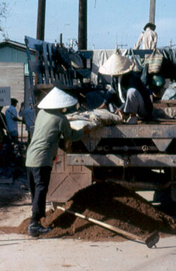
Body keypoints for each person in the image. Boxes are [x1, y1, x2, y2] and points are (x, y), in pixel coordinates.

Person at [25, 87, 86, 237]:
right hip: (42, 160)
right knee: (41, 189)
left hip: (30, 158)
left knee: (35, 190)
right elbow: (71, 135)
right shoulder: (61, 119)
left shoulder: (41, 114)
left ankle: (36, 219)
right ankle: (34, 223)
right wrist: (83, 130)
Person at [97, 52, 153, 124]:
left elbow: (132, 97)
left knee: (132, 92)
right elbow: (112, 91)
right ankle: (122, 114)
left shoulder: (132, 77)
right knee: (110, 98)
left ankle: (133, 116)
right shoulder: (115, 78)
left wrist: (121, 108)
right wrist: (104, 104)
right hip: (125, 105)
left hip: (142, 109)